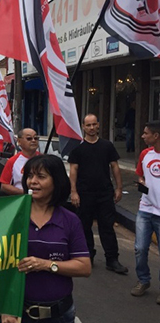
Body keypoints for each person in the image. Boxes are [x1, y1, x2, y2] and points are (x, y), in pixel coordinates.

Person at [1, 155, 91, 323]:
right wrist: (6, 309)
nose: (33, 181)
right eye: (30, 176)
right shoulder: (12, 216)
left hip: (60, 315)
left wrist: (46, 265)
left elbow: (84, 267)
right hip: (17, 314)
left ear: (56, 181)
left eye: (41, 177)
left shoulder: (70, 220)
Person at [68, 114, 127, 273]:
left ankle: (112, 259)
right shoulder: (78, 149)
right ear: (83, 127)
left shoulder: (107, 146)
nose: (92, 128)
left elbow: (115, 167)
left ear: (99, 125)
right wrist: (73, 192)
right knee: (84, 226)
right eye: (88, 125)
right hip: (84, 193)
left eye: (94, 124)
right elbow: (73, 170)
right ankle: (88, 257)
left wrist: (119, 188)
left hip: (104, 194)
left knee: (107, 226)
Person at [131, 120, 160, 300]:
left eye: (146, 133)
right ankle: (144, 280)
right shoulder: (145, 154)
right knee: (140, 248)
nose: (143, 136)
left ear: (156, 136)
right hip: (145, 209)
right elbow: (140, 174)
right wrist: (141, 183)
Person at [0, 128, 41, 196]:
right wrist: (24, 192)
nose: (33, 141)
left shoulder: (44, 160)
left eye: (36, 138)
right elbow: (4, 186)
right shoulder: (12, 161)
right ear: (19, 141)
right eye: (29, 138)